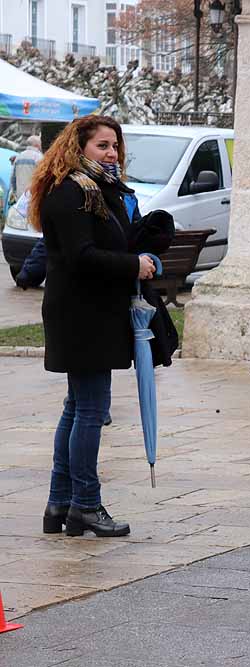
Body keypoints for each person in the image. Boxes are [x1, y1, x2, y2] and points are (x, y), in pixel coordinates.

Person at [32, 116, 157, 538]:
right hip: (81, 314)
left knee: (79, 407)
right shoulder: (72, 193)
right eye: (103, 145)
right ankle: (84, 504)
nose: (112, 154)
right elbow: (81, 255)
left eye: (116, 146)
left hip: (92, 311)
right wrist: (133, 265)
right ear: (78, 147)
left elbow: (108, 241)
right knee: (90, 410)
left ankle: (60, 503)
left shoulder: (97, 190)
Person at [9, 135, 43, 204]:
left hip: (20, 197)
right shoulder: (39, 157)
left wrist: (16, 192)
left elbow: (13, 178)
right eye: (40, 144)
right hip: (34, 197)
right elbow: (42, 177)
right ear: (37, 145)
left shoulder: (18, 157)